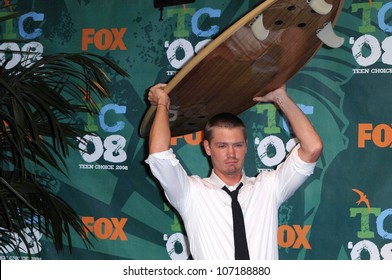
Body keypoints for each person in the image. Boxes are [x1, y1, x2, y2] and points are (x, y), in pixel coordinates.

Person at [145, 83, 323, 260]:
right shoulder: (190, 192)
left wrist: (280, 97)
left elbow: (313, 148)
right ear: (207, 147)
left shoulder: (268, 187)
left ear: (246, 146)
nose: (231, 154)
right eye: (222, 146)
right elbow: (159, 154)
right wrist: (162, 103)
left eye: (237, 145)